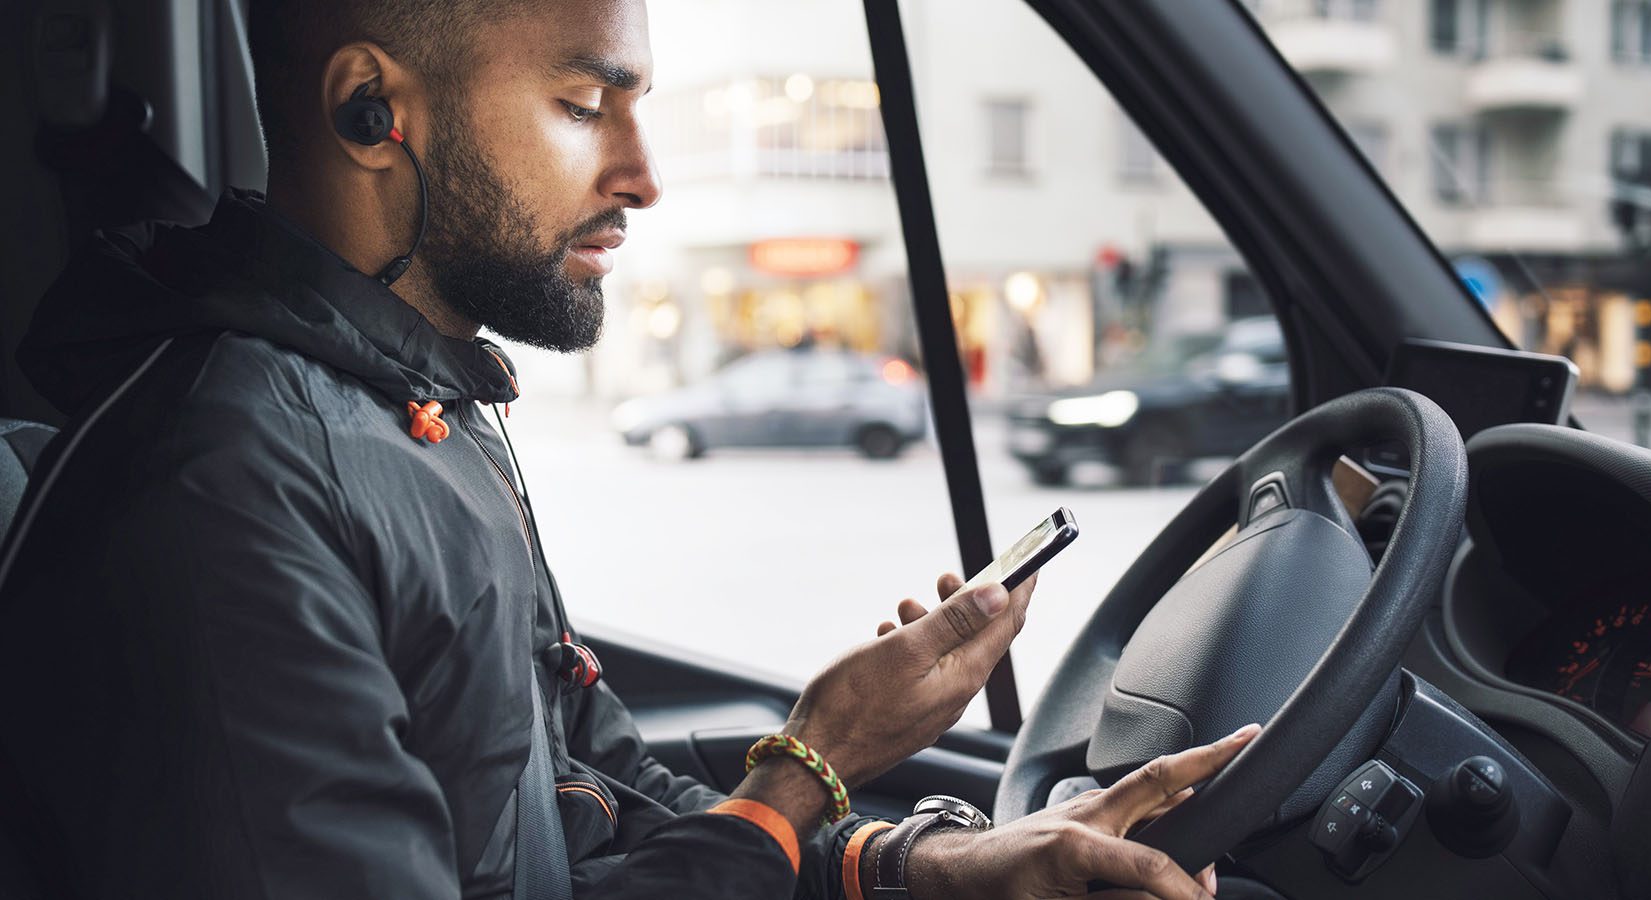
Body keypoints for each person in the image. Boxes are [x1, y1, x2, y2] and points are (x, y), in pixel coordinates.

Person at [0, 1, 1258, 897]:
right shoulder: (225, 495)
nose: (645, 175)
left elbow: (586, 798)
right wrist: (808, 767)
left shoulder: (420, 412)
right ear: (370, 108)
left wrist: (932, 864)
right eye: (584, 104)